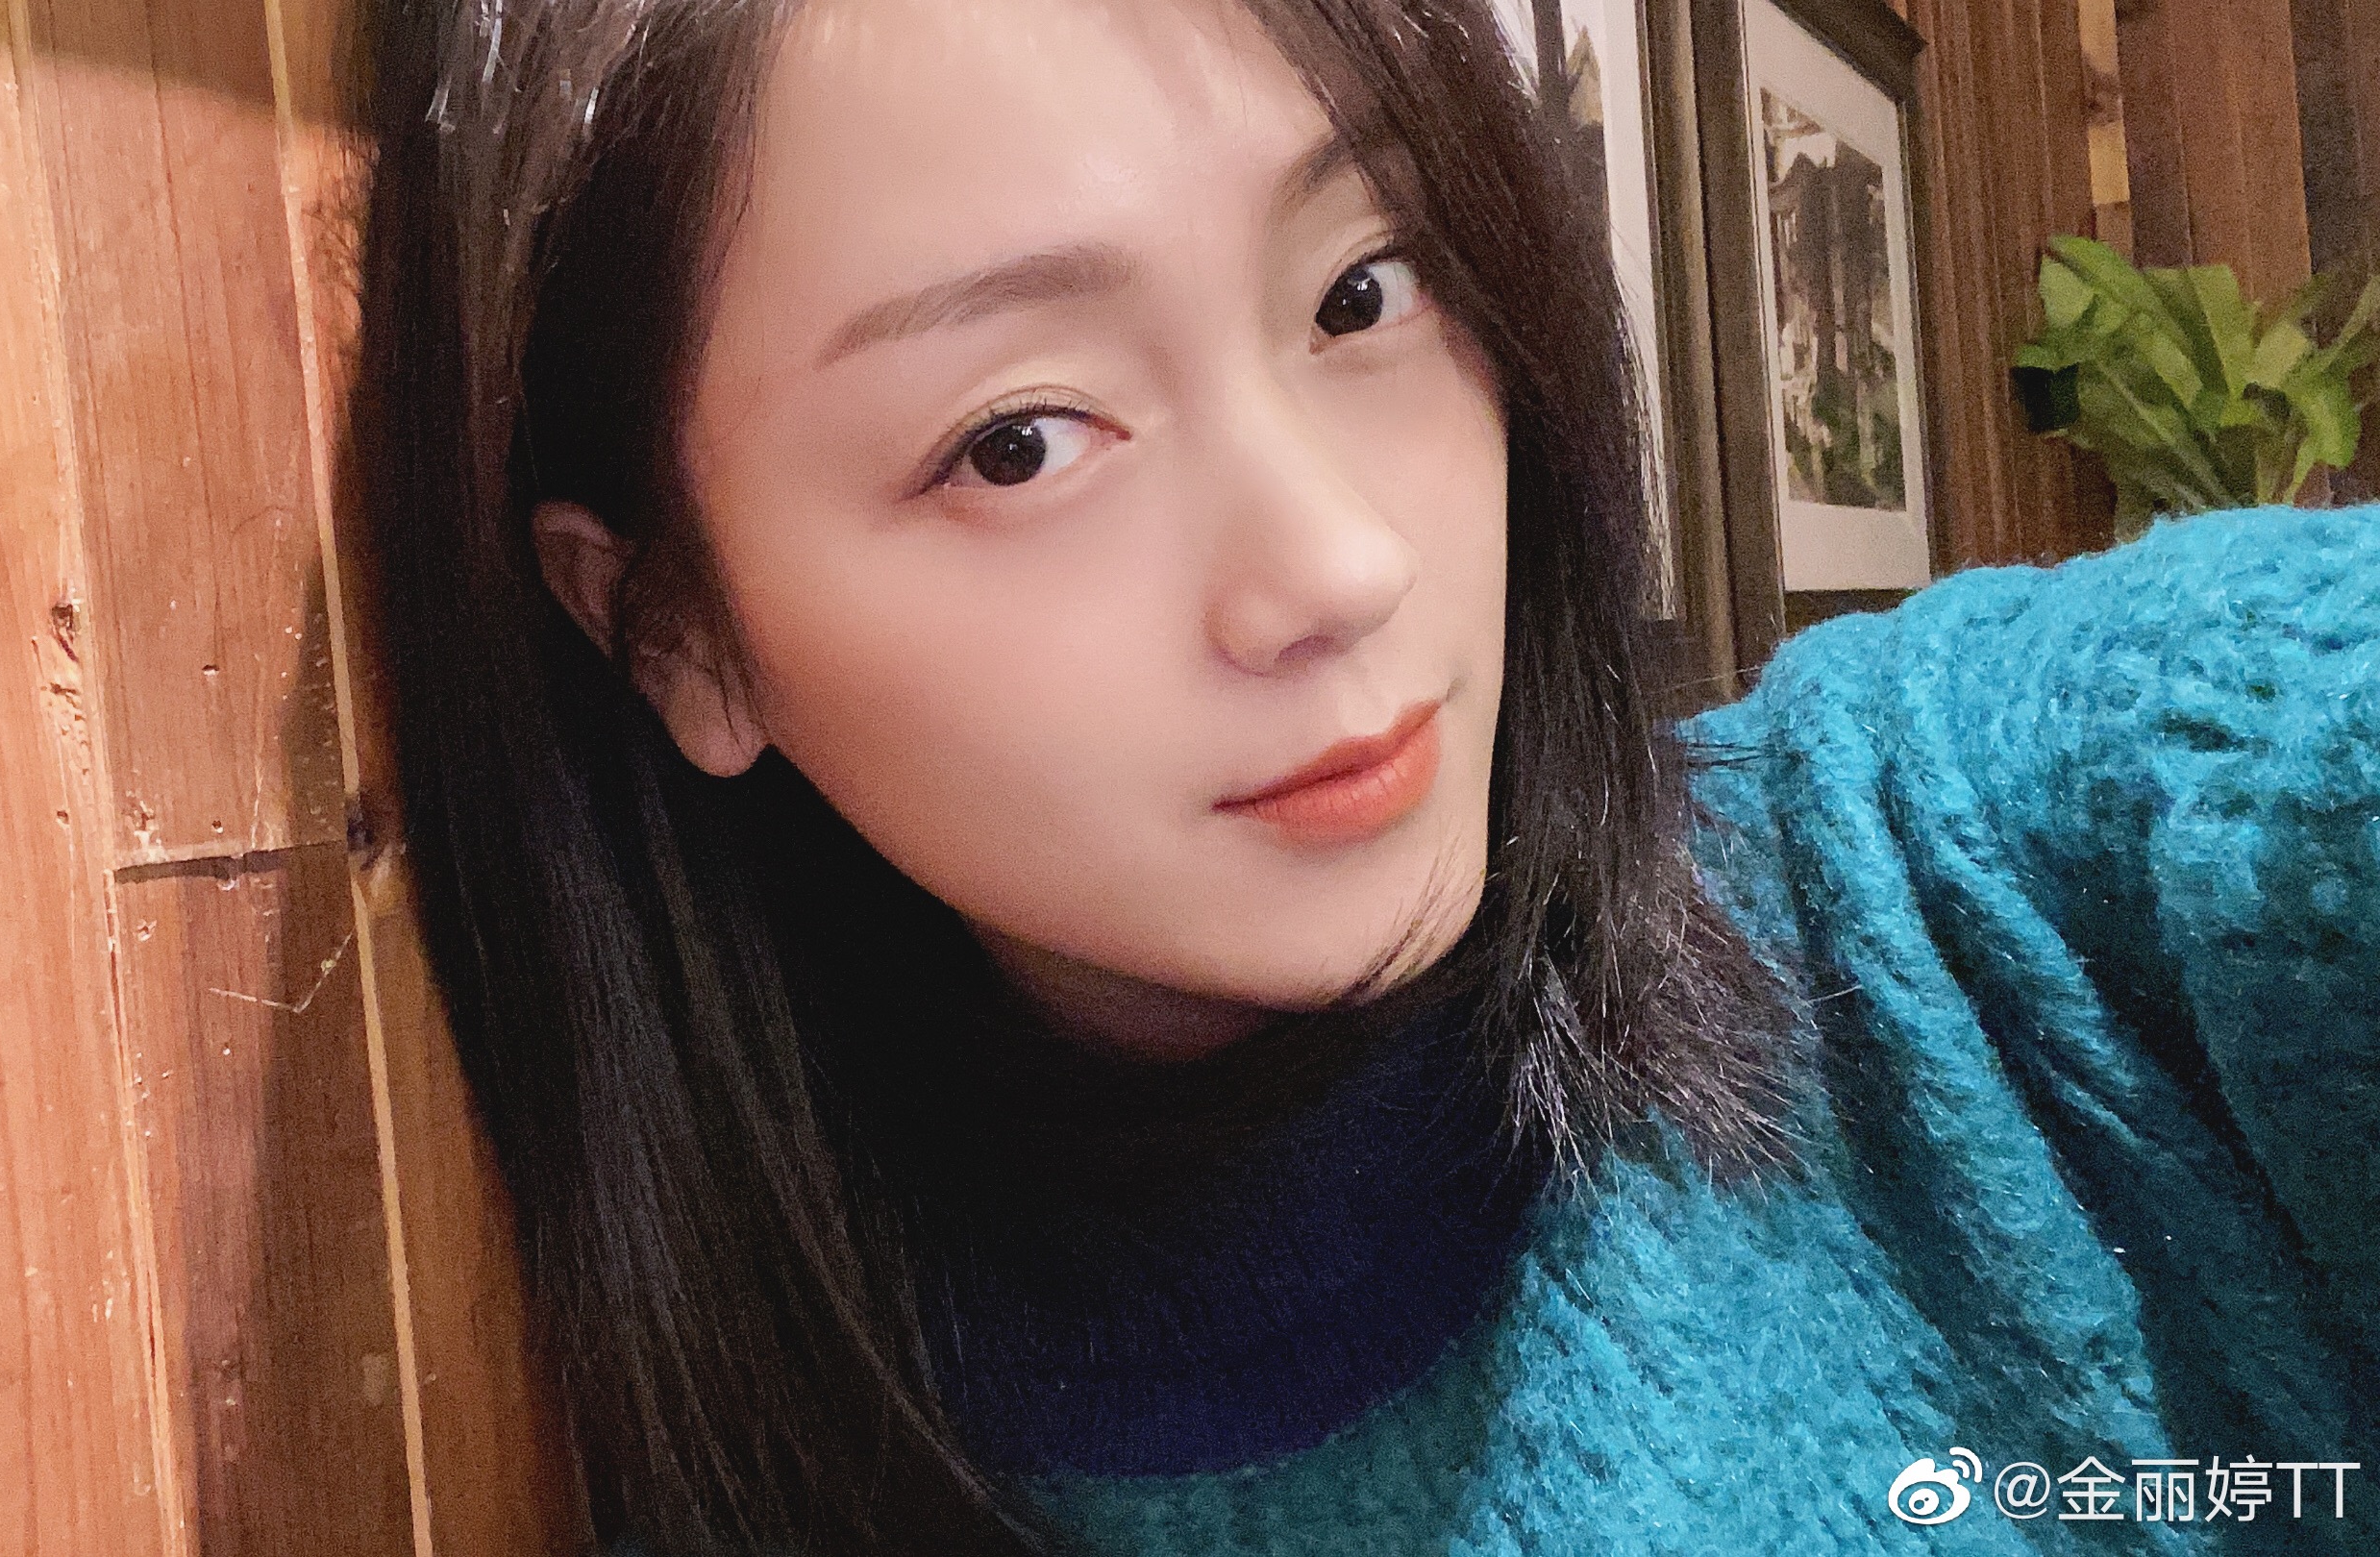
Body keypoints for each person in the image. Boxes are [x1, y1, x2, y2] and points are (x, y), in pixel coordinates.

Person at [349, 0, 2380, 1551]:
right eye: (1020, 443)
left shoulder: (1991, 874)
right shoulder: (752, 1415)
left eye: (1361, 292)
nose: (1338, 566)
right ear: (679, 635)